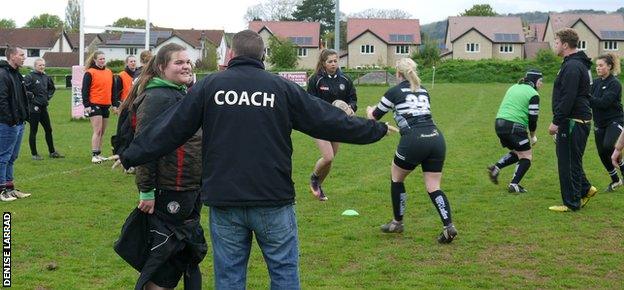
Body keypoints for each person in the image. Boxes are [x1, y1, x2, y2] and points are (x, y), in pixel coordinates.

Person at [119, 30, 395, 289]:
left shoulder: (211, 86)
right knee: (284, 273)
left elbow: (170, 128)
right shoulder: (280, 87)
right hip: (272, 198)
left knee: (229, 277)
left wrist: (132, 153)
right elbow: (326, 119)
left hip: (226, 201)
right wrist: (375, 129)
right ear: (263, 56)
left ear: (230, 56)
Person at [115, 43, 206, 290]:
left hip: (189, 188)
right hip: (169, 189)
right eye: (179, 62)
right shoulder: (158, 97)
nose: (186, 66)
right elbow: (145, 146)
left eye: (188, 62)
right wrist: (146, 190)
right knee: (164, 259)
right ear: (161, 67)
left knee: (184, 255)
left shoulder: (179, 93)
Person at [366, 58, 457, 243]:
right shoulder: (424, 91)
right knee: (433, 186)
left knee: (396, 177)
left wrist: (369, 110)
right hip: (436, 137)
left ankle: (397, 223)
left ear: (398, 74)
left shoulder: (394, 92)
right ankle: (448, 226)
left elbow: (374, 117)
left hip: (414, 139)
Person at [547, 28, 597, 212]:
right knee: (570, 159)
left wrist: (556, 121)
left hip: (572, 120)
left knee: (568, 162)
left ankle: (572, 203)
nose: (556, 45)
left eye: (557, 42)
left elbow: (568, 97)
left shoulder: (573, 66)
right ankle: (585, 189)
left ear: (565, 45)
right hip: (575, 120)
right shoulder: (573, 64)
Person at [306, 49, 357, 201]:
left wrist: (350, 108)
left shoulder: (346, 80)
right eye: (330, 61)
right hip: (319, 124)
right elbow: (309, 102)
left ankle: (318, 186)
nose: (333, 64)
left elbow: (353, 100)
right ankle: (314, 178)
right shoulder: (315, 79)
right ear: (323, 63)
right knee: (327, 157)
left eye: (335, 61)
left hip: (337, 124)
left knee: (331, 158)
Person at [487, 70, 542, 193]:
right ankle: (514, 184)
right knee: (527, 156)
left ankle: (496, 168)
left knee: (518, 152)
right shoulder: (533, 94)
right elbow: (533, 119)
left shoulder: (514, 87)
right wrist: (533, 136)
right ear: (534, 81)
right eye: (540, 81)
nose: (541, 84)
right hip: (514, 126)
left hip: (499, 124)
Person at [0, 46, 31, 201]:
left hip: (19, 122)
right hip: (7, 124)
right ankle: (2, 191)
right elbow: (2, 100)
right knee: (3, 156)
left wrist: (24, 116)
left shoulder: (17, 75)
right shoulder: (3, 74)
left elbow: (20, 98)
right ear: (12, 56)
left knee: (12, 157)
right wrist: (10, 120)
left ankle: (10, 188)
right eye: (21, 55)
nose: (24, 57)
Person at [590, 53, 623, 192]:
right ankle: (615, 180)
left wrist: (586, 96)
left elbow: (604, 103)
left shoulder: (614, 83)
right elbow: (589, 101)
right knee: (602, 153)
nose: (598, 68)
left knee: (609, 145)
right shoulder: (596, 83)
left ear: (609, 67)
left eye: (601, 65)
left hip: (614, 120)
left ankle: (621, 165)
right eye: (597, 66)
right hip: (599, 122)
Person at [24, 58, 64, 161]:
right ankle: (34, 154)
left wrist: (47, 97)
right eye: (39, 65)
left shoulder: (46, 77)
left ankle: (52, 152)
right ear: (35, 66)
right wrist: (31, 96)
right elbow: (23, 89)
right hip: (34, 108)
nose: (42, 67)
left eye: (43, 65)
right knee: (34, 131)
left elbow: (52, 88)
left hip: (43, 107)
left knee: (48, 129)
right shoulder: (30, 77)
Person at [82, 51, 116, 163]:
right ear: (95, 60)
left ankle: (99, 153)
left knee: (102, 131)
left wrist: (114, 103)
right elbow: (85, 89)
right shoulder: (90, 72)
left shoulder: (109, 72)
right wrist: (86, 105)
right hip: (94, 104)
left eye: (103, 59)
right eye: (100, 59)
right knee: (97, 130)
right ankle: (94, 154)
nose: (102, 61)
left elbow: (113, 89)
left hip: (105, 104)